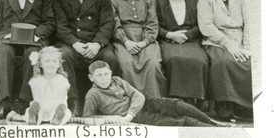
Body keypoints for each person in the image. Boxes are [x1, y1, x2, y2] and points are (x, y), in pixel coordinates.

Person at [0, 0, 56, 119]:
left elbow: (49, 21)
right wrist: (2, 35)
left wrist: (37, 35)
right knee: (5, 51)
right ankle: (5, 103)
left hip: (34, 37)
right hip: (8, 35)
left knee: (33, 54)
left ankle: (23, 101)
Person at [53, 0, 118, 114]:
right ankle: (73, 102)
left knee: (110, 58)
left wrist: (97, 43)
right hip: (71, 43)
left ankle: (105, 102)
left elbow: (107, 24)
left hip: (95, 43)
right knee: (63, 56)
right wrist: (75, 43)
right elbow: (60, 26)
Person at [82, 61, 225, 127]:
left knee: (178, 105)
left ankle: (213, 123)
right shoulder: (92, 94)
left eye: (106, 74)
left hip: (145, 103)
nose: (104, 78)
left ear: (111, 73)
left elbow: (138, 96)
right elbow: (88, 118)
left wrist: (128, 115)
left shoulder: (117, 80)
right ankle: (214, 132)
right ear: (91, 78)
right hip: (138, 117)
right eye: (99, 75)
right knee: (178, 121)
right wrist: (116, 118)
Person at [198, 0, 252, 119]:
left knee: (249, 61)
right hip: (216, 41)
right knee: (223, 61)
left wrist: (247, 47)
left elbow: (249, 23)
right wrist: (228, 44)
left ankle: (245, 106)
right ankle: (224, 104)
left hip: (241, 39)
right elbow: (206, 26)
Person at [110, 0, 168, 98]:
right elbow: (115, 24)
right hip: (123, 39)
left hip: (145, 39)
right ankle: (131, 102)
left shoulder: (148, 0)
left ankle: (154, 101)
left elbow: (152, 23)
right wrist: (126, 42)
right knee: (125, 64)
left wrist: (144, 42)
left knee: (153, 64)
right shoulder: (114, 1)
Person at [156, 0, 208, 103]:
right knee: (174, 60)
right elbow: (154, 25)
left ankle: (196, 100)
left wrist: (187, 35)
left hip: (191, 41)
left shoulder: (195, 1)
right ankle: (177, 101)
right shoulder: (158, 1)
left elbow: (202, 24)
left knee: (200, 61)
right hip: (169, 42)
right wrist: (170, 35)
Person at [20, 47, 70, 125]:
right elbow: (37, 99)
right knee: (29, 110)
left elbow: (60, 100)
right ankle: (33, 119)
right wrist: (43, 112)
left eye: (54, 61)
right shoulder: (36, 80)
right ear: (40, 64)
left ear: (59, 64)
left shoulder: (62, 80)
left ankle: (56, 120)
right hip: (41, 108)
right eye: (47, 61)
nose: (51, 64)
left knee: (66, 112)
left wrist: (51, 111)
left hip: (56, 108)